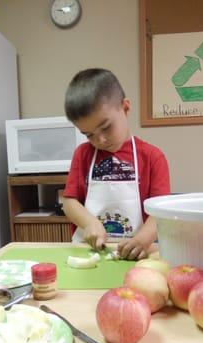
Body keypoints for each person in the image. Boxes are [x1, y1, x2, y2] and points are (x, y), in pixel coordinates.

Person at [62, 68, 170, 260]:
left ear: (125, 108)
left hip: (136, 255)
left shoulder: (152, 157)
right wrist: (89, 223)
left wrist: (142, 240)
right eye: (88, 134)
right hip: (89, 253)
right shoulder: (82, 154)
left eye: (106, 127)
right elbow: (69, 202)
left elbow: (160, 212)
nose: (100, 140)